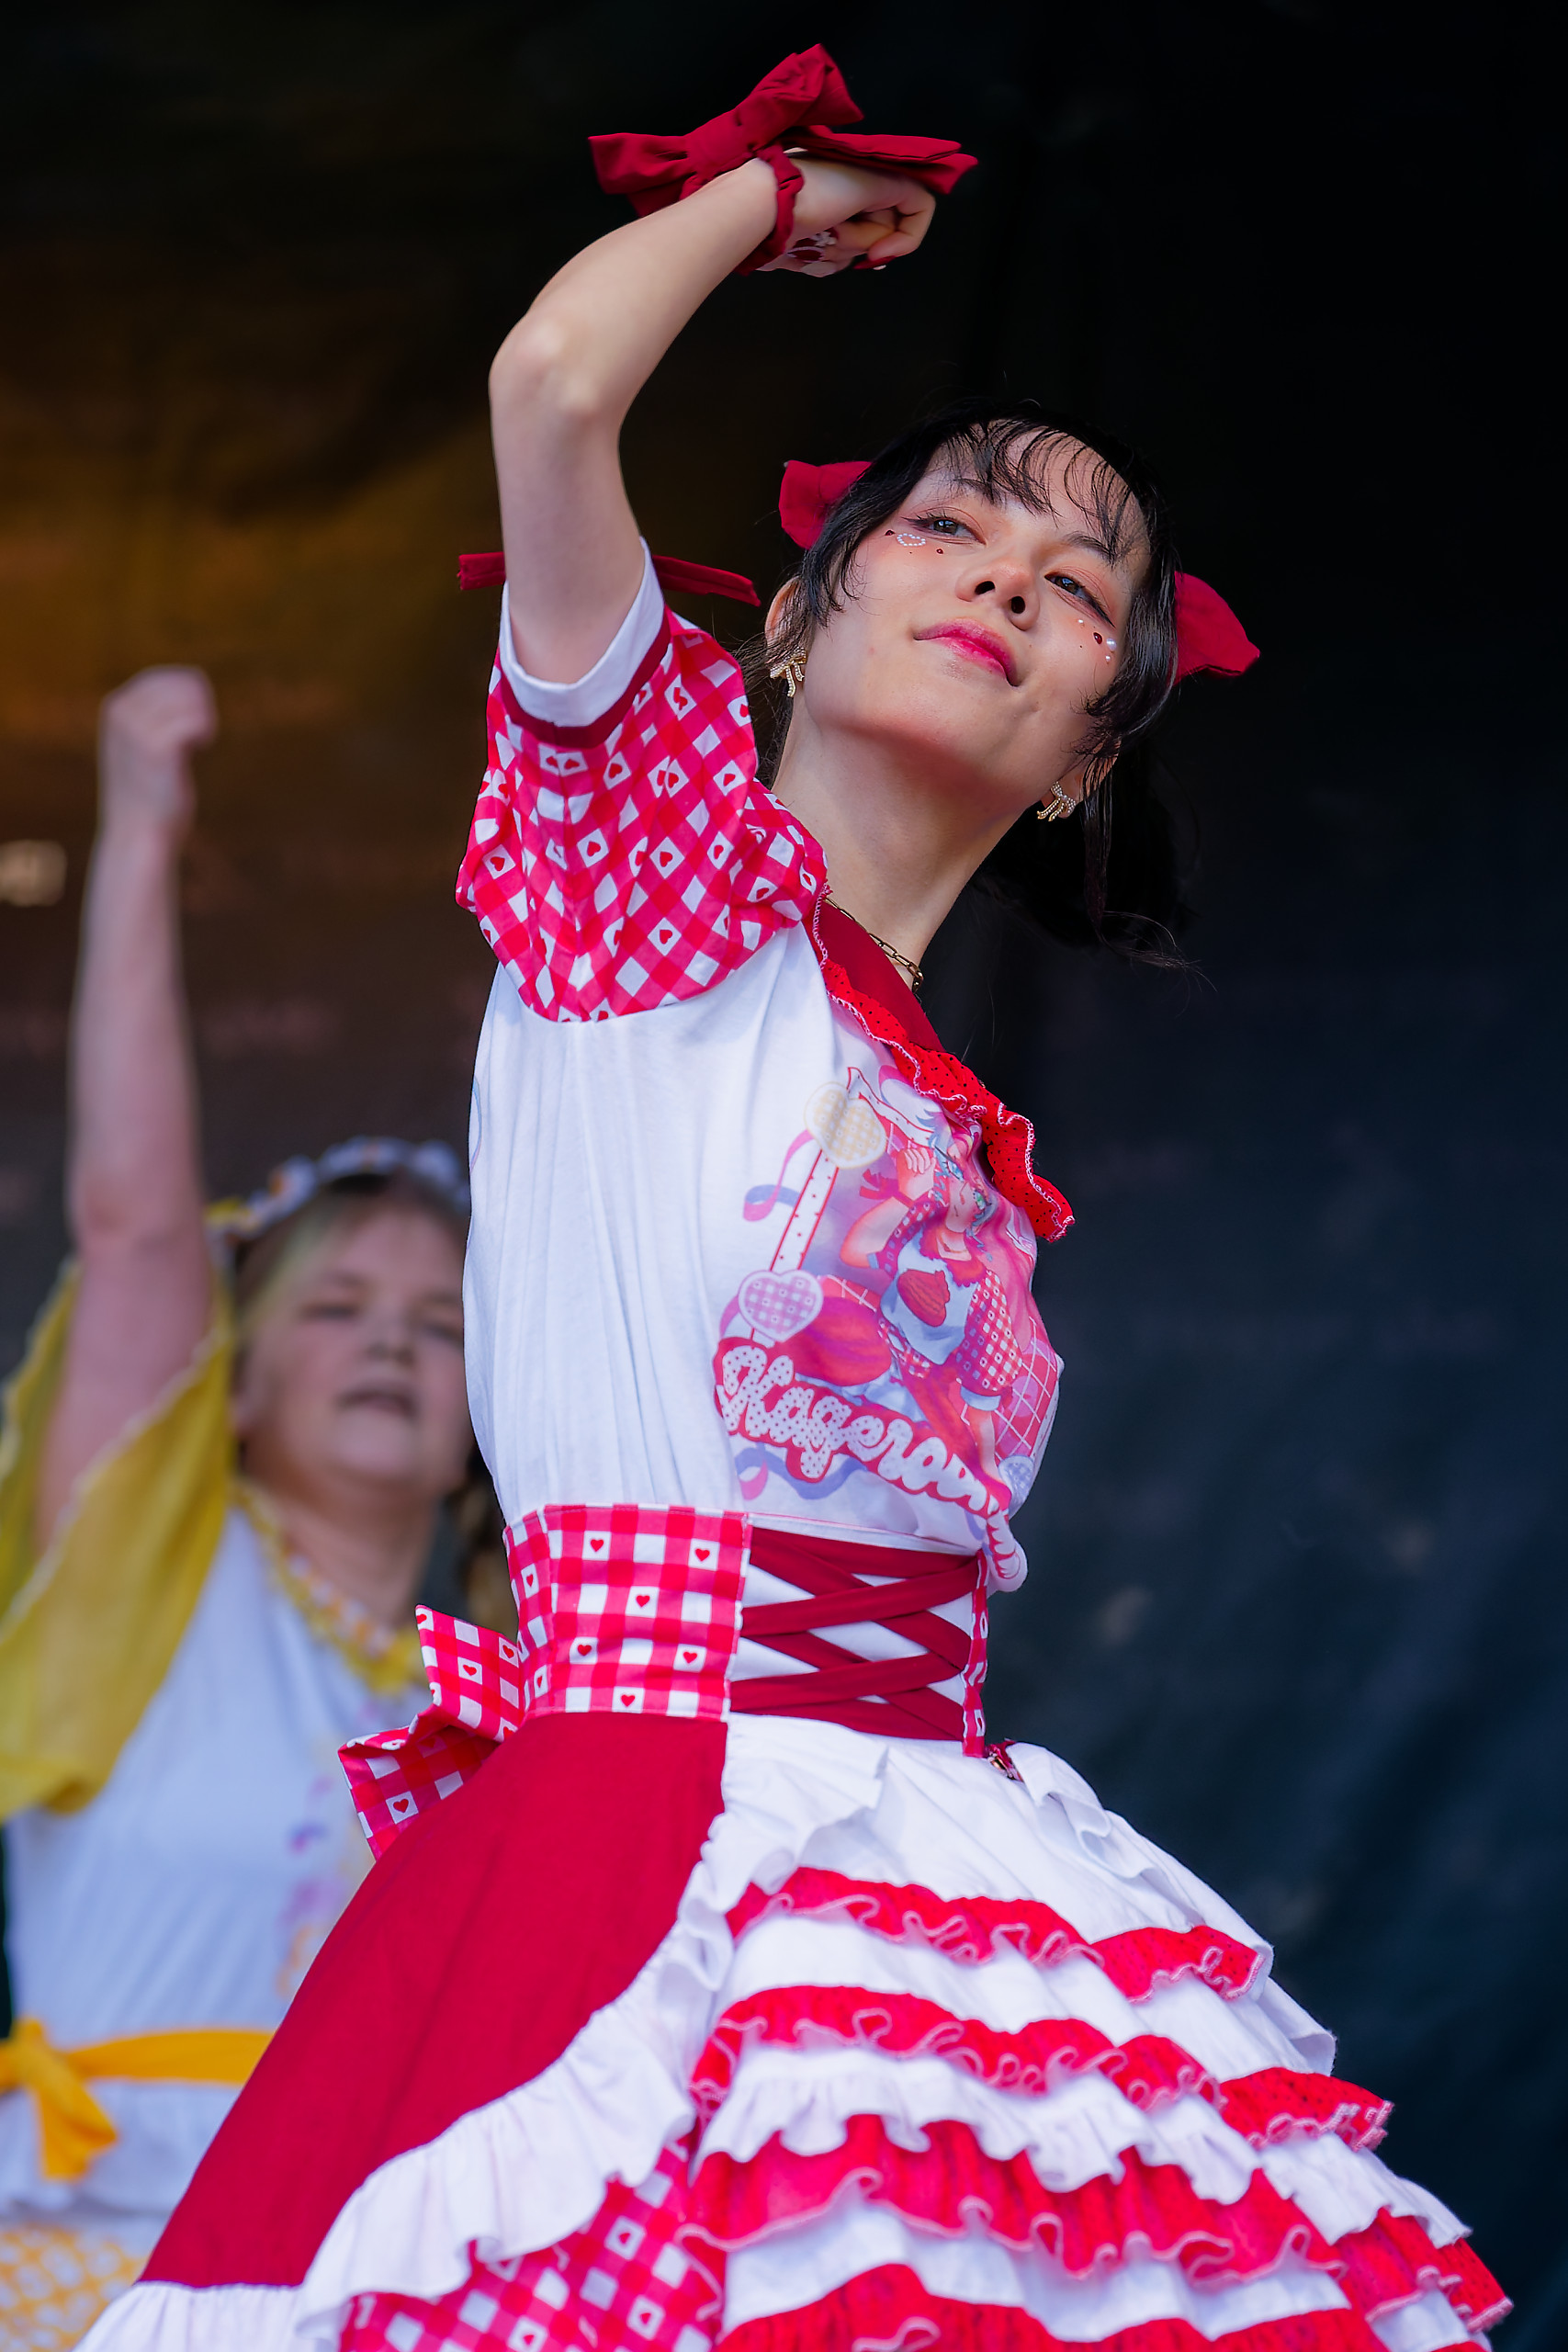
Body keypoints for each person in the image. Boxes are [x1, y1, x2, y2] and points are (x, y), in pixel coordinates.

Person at [96, 50, 1505, 2352]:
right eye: (945, 530)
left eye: (1076, 586)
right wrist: (778, 195)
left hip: (923, 1863)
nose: (1008, 577)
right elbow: (553, 383)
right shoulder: (657, 889)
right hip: (636, 1859)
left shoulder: (952, 1121)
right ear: (786, 626)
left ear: (1087, 756)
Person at [0, 668, 479, 2348]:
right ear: (240, 1383)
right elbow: (137, 1227)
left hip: (366, 2299)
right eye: (338, 1308)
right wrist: (138, 832)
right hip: (84, 2272)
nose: (393, 1345)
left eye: (441, 1327)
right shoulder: (144, 1577)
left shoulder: (498, 1700)